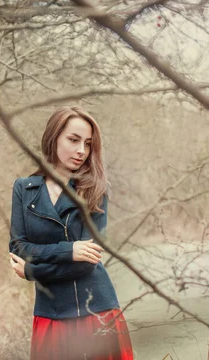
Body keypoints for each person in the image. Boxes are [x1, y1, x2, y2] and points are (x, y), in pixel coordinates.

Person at [9, 106, 134, 360]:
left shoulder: (95, 190)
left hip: (95, 312)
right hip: (50, 314)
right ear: (53, 138)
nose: (81, 151)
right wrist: (69, 250)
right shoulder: (24, 188)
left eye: (87, 144)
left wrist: (32, 271)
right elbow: (19, 248)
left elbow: (87, 264)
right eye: (73, 140)